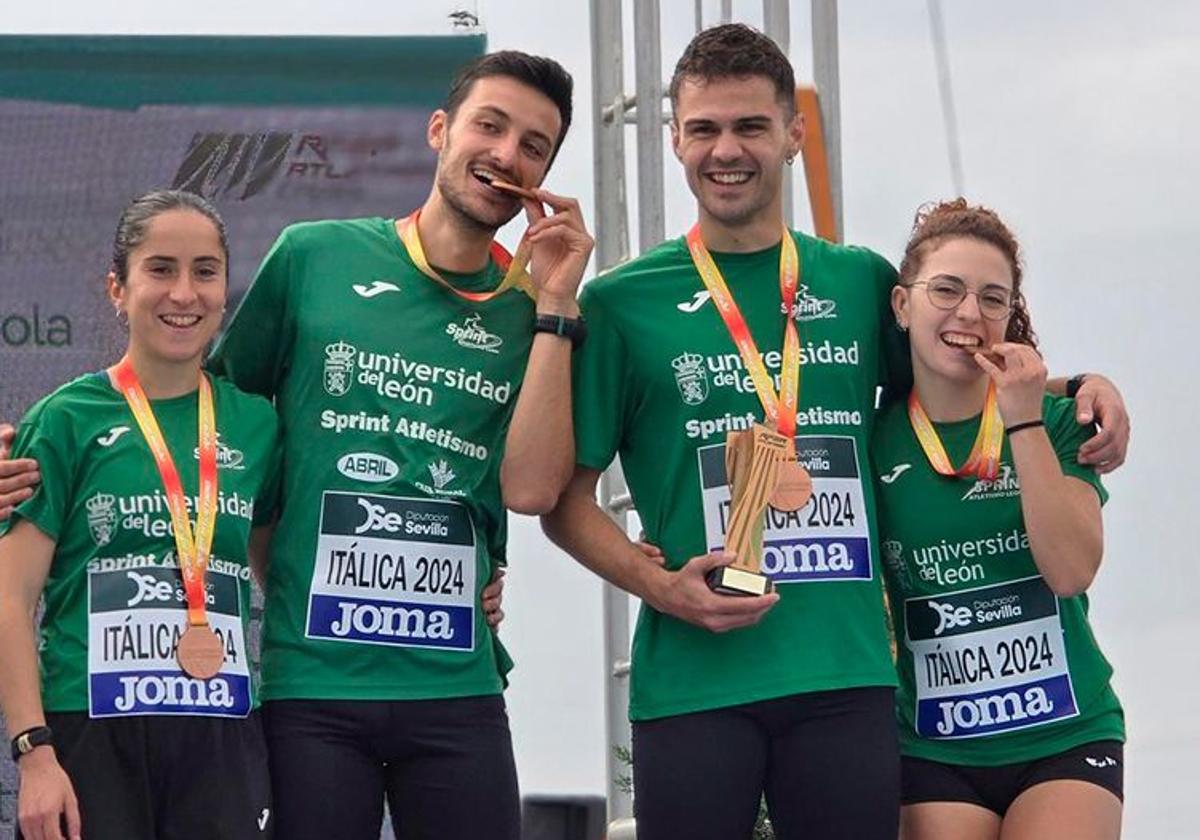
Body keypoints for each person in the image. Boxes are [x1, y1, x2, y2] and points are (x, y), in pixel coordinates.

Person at [542, 24, 1129, 840]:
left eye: (750, 126)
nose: (727, 150)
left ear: (793, 134)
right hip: (694, 680)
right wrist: (656, 586)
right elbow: (560, 501)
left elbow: (957, 354)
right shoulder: (619, 304)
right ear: (673, 137)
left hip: (846, 683)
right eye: (704, 128)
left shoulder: (857, 281)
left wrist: (1077, 385)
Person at [201, 50, 590, 840]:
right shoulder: (313, 256)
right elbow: (214, 421)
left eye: (534, 145)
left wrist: (555, 305)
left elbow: (531, 490)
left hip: (456, 685)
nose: (507, 155)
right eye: (490, 125)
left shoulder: (534, 309)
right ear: (440, 130)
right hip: (312, 684)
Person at [0, 190, 280, 840]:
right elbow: (11, 598)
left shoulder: (259, 424)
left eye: (205, 271)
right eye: (160, 269)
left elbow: (294, 560)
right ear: (117, 289)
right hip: (90, 730)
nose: (184, 293)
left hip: (221, 733)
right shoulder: (66, 419)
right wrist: (33, 752)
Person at [877, 199, 1123, 840]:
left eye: (993, 298)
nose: (968, 314)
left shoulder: (1060, 422)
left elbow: (1070, 571)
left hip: (1065, 731)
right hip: (936, 747)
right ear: (904, 306)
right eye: (947, 290)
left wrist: (1024, 419)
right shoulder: (872, 440)